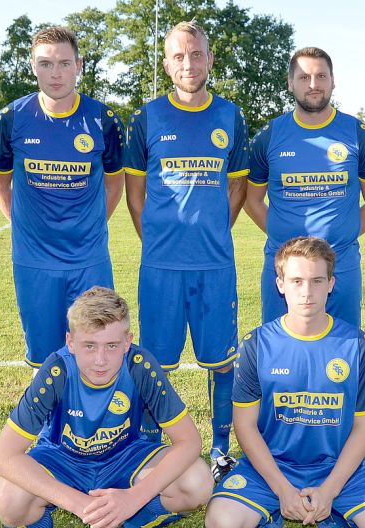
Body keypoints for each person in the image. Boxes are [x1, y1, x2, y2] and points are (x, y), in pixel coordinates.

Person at [204, 237, 365, 528]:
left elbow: (364, 426)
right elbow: (245, 426)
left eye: (317, 280)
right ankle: (271, 517)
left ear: (331, 283)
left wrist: (330, 490)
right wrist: (282, 489)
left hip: (338, 469)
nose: (307, 291)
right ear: (280, 284)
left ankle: (334, 520)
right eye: (297, 280)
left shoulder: (356, 345)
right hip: (271, 467)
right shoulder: (256, 345)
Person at [0, 287, 213, 528]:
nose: (100, 360)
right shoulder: (56, 370)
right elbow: (3, 457)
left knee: (197, 482)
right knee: (10, 498)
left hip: (124, 456)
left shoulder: (139, 365)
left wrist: (132, 499)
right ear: (70, 342)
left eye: (111, 346)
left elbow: (189, 441)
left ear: (127, 341)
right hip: (63, 459)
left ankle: (132, 525)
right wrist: (78, 503)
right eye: (89, 346)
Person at [123, 21, 248, 468]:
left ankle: (220, 448)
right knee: (156, 364)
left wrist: (212, 230)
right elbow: (134, 193)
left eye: (196, 54)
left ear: (210, 59)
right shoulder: (146, 117)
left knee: (221, 361)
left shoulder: (231, 117)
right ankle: (154, 447)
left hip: (214, 264)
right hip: (161, 265)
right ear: (167, 62)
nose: (188, 63)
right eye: (179, 56)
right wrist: (156, 239)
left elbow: (237, 190)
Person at [0, 27, 125, 369]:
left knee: (97, 352)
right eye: (46, 64)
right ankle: (51, 424)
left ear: (79, 65)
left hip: (89, 258)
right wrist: (22, 226)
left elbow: (114, 185)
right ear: (33, 66)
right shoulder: (11, 118)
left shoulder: (103, 120)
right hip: (34, 260)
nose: (56, 73)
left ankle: (91, 423)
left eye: (64, 63)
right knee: (45, 359)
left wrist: (88, 227)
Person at [244, 47, 365, 329]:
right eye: (304, 77)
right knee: (279, 355)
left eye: (321, 75)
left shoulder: (359, 135)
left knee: (342, 354)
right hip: (283, 269)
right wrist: (289, 244)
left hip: (341, 267)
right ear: (290, 83)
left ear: (333, 81)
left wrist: (339, 238)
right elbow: (252, 202)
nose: (313, 84)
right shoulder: (268, 136)